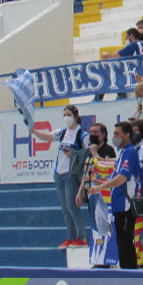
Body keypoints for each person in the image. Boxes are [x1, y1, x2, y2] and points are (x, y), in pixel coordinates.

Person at [32, 106, 91, 249]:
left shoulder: (82, 134)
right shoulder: (63, 132)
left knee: (72, 206)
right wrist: (33, 131)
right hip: (59, 174)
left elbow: (89, 154)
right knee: (65, 208)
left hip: (71, 174)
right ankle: (71, 237)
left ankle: (82, 237)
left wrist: (75, 153)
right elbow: (47, 137)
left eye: (69, 114)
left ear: (76, 116)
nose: (66, 117)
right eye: (64, 114)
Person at [87, 121, 139, 268]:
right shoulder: (122, 152)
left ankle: (131, 277)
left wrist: (100, 187)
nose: (114, 137)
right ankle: (126, 273)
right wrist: (100, 181)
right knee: (121, 243)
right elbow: (115, 175)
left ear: (127, 135)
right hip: (118, 205)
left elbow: (122, 178)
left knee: (125, 243)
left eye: (117, 134)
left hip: (126, 205)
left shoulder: (130, 152)